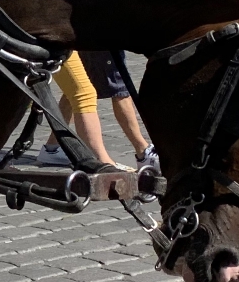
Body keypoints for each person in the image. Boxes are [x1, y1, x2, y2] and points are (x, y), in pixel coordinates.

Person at [41, 51, 159, 183]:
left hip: (71, 39)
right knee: (90, 92)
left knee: (78, 87)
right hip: (79, 37)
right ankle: (106, 161)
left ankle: (52, 148)